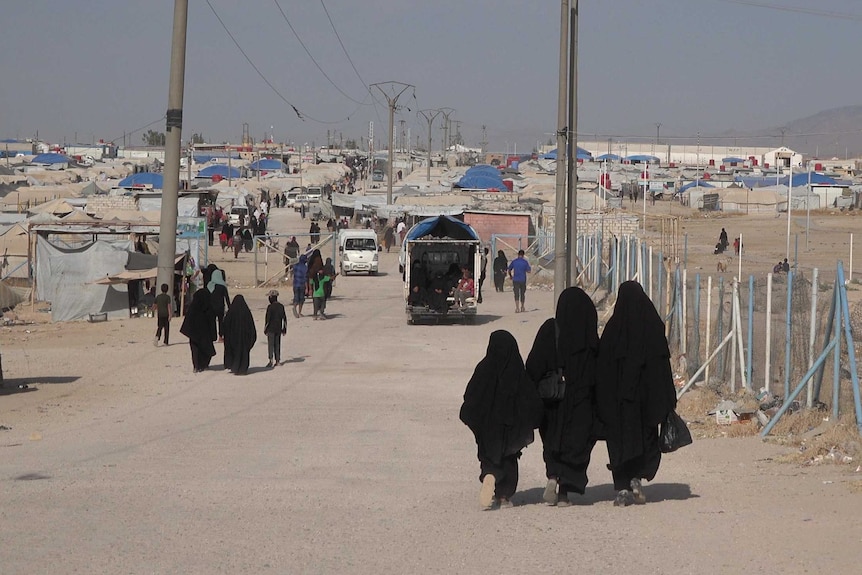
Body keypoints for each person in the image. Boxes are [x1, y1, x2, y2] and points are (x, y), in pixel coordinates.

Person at [596, 281, 677, 507]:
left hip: (619, 405)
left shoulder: (613, 330)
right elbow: (663, 368)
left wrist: (601, 401)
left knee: (620, 442)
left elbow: (602, 370)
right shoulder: (653, 328)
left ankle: (622, 487)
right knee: (645, 440)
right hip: (646, 404)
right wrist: (667, 399)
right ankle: (636, 478)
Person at [525, 287, 599, 506]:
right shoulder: (587, 333)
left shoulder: (550, 329)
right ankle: (565, 490)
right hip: (581, 401)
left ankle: (552, 476)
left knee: (552, 441)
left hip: (553, 402)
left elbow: (534, 365)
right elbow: (598, 368)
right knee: (577, 443)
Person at [460, 330, 543, 510]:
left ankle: (489, 473)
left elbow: (471, 396)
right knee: (509, 458)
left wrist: (476, 419)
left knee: (488, 455)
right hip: (511, 427)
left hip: (489, 427)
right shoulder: (517, 370)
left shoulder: (484, 368)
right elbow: (530, 399)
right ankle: (504, 496)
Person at [180, 289, 217, 373]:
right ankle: (203, 365)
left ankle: (196, 366)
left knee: (195, 350)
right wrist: (213, 335)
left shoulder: (193, 307)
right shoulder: (209, 308)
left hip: (194, 334)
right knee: (206, 349)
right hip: (205, 335)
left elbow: (188, 321)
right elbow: (212, 323)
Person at [223, 295, 257, 375]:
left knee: (235, 352)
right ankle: (243, 369)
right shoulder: (246, 312)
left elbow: (226, 325)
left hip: (233, 339)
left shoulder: (231, 312)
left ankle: (235, 367)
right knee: (244, 353)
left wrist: (226, 336)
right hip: (245, 339)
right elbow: (251, 327)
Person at [264, 289, 287, 368]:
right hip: (278, 328)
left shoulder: (270, 307)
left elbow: (267, 319)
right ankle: (278, 361)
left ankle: (270, 360)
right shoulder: (281, 306)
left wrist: (265, 329)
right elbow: (284, 318)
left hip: (271, 329)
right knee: (277, 344)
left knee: (271, 345)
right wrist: (284, 329)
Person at [208, 269, 231, 342]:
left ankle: (212, 337)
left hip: (211, 307)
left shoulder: (210, 285)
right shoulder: (223, 286)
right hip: (220, 307)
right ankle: (220, 337)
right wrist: (230, 307)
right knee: (221, 322)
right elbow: (227, 298)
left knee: (212, 322)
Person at [507, 249, 531, 313]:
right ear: (523, 255)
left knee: (516, 294)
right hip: (523, 280)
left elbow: (509, 269)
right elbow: (529, 271)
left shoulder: (514, 261)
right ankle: (522, 307)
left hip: (515, 280)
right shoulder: (525, 262)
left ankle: (517, 308)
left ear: (518, 254)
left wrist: (510, 276)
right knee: (522, 294)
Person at [292, 253, 308, 318]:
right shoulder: (305, 268)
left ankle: (294, 307)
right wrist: (307, 288)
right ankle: (300, 312)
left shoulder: (295, 266)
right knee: (301, 299)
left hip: (295, 284)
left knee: (296, 298)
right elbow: (305, 278)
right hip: (302, 284)